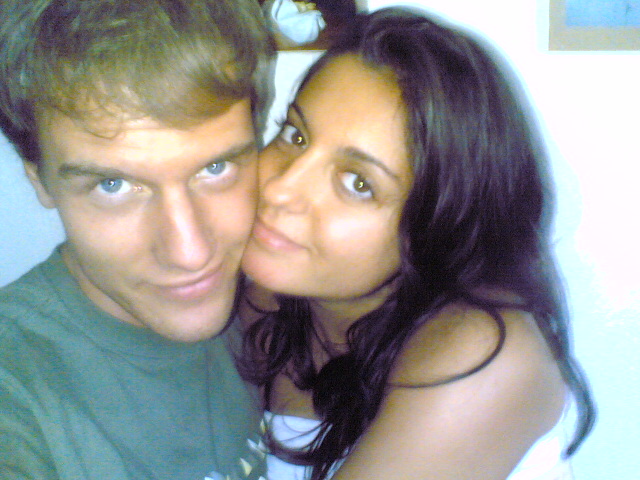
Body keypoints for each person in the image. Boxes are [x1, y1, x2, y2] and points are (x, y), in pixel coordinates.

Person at [238, 7, 596, 480]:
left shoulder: (481, 353)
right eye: (295, 135)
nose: (280, 188)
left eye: (358, 183)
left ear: (435, 228)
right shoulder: (264, 298)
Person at [0, 1, 274, 479]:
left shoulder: (273, 297)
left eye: (215, 168)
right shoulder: (17, 388)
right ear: (40, 181)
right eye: (113, 185)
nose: (191, 254)